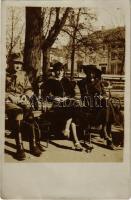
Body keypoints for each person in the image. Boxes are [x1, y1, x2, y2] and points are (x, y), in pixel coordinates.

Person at [5, 58, 45, 161]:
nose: (18, 66)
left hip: (21, 99)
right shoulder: (4, 74)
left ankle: (33, 145)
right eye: (15, 63)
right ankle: (20, 148)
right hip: (8, 101)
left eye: (19, 63)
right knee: (18, 113)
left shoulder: (23, 75)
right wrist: (11, 97)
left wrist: (26, 96)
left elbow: (28, 89)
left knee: (30, 114)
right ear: (10, 63)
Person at [42, 62, 83, 151]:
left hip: (67, 103)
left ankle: (68, 130)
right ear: (54, 72)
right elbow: (44, 95)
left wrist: (66, 98)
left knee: (73, 107)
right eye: (58, 70)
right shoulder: (50, 81)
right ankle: (76, 142)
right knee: (74, 109)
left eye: (61, 70)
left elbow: (72, 93)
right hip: (57, 106)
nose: (60, 72)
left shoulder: (65, 80)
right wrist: (54, 98)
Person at [77, 64, 117, 150]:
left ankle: (104, 129)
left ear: (95, 74)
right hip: (90, 107)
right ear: (86, 73)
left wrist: (103, 96)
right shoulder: (83, 83)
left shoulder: (99, 82)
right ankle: (107, 136)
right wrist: (95, 98)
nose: (91, 75)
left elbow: (104, 93)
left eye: (93, 73)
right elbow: (84, 96)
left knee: (106, 103)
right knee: (108, 107)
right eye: (89, 73)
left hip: (101, 107)